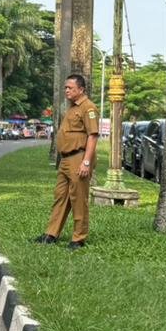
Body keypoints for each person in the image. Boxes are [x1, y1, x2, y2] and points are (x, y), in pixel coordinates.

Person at [34, 74, 101, 249]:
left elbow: (93, 136)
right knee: (60, 196)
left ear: (81, 89)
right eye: (65, 87)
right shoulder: (72, 107)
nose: (66, 91)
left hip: (79, 157)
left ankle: (79, 238)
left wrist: (86, 162)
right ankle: (51, 234)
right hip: (65, 159)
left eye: (70, 88)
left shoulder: (88, 107)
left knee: (78, 198)